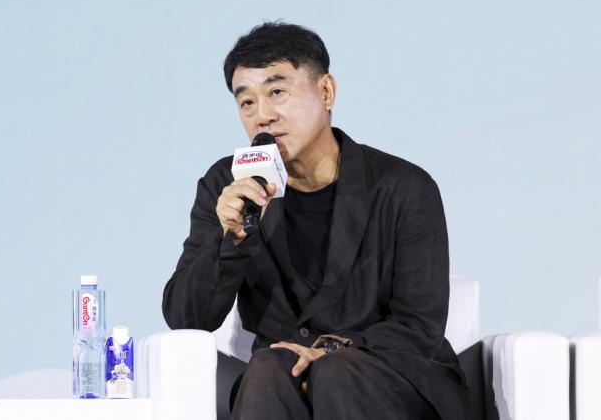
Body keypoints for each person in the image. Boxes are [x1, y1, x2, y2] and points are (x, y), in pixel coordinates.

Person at [162, 21, 470, 420]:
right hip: (280, 380)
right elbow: (187, 319)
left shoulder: (403, 187)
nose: (263, 116)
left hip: (395, 378)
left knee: (334, 371)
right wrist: (232, 240)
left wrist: (327, 350)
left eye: (276, 92)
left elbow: (419, 326)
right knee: (267, 368)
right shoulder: (229, 184)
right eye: (247, 102)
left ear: (326, 92)